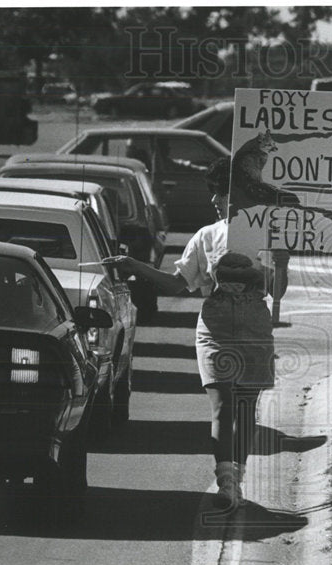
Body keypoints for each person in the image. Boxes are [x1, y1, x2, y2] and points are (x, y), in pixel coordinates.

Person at [103, 158, 274, 508]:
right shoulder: (206, 236)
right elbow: (178, 284)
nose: (213, 201)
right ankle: (226, 484)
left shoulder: (268, 232)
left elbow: (278, 291)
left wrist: (280, 261)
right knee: (222, 406)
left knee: (245, 409)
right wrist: (135, 266)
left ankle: (236, 477)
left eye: (218, 193)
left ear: (237, 191)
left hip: (255, 325)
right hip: (214, 328)